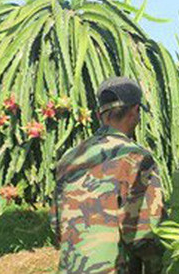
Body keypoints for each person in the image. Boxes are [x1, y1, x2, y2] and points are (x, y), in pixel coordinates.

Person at [50, 76, 165, 273]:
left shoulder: (69, 158)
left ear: (98, 115)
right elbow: (143, 234)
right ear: (136, 111)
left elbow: (56, 225)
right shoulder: (137, 158)